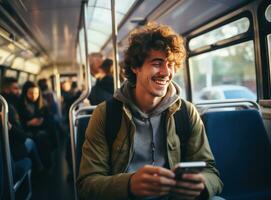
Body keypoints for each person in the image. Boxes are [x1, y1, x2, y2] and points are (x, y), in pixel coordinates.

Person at [77, 22, 223, 200]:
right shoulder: (106, 114)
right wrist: (129, 185)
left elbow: (211, 172)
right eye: (157, 63)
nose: (165, 72)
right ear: (135, 67)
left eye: (170, 65)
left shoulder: (186, 112)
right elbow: (86, 185)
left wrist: (202, 184)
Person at [1, 77, 44, 173]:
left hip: (11, 144)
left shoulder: (12, 104)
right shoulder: (7, 107)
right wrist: (28, 126)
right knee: (31, 141)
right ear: (6, 90)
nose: (18, 91)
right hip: (12, 150)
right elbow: (20, 135)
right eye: (15, 88)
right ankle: (39, 170)